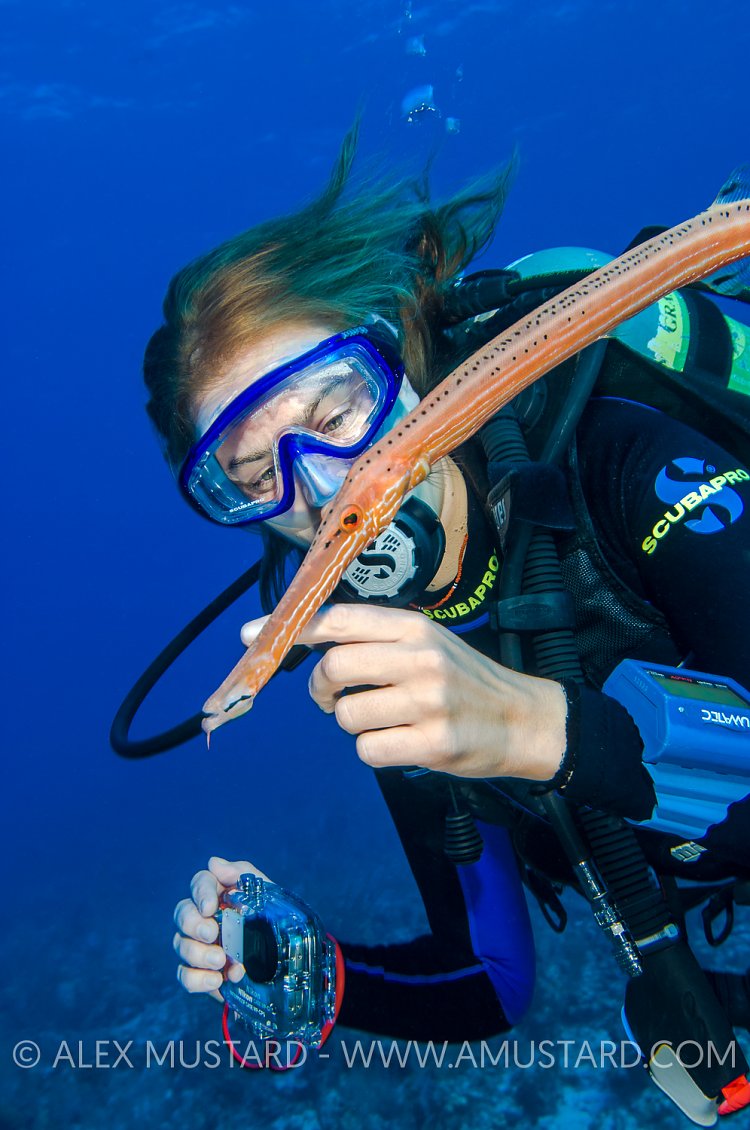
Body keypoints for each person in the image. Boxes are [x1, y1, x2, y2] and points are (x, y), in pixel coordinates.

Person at [144, 126, 750, 1092]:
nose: (328, 492)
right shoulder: (364, 649)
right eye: (256, 476)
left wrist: (539, 729)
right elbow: (493, 984)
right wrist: (317, 974)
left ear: (406, 354)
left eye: (336, 411)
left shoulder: (627, 461)